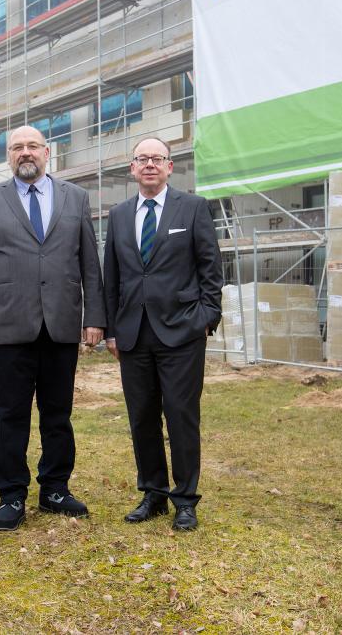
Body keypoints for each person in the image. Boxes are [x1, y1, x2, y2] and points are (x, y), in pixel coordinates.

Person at [0, 126, 105, 532]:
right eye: (16, 148)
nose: (25, 153)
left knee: (58, 413)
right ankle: (11, 495)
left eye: (32, 146)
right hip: (12, 325)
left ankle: (55, 489)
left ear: (47, 152)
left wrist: (95, 317)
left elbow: (89, 262)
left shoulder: (76, 198)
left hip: (62, 322)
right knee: (11, 413)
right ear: (8, 156)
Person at [102, 137, 223, 532]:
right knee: (142, 417)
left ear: (170, 167)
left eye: (158, 158)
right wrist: (111, 330)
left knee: (181, 416)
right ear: (132, 168)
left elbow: (210, 267)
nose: (150, 164)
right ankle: (153, 493)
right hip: (133, 334)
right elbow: (112, 277)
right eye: (142, 159)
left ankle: (185, 500)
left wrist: (207, 317)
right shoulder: (119, 215)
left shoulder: (193, 208)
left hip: (182, 331)